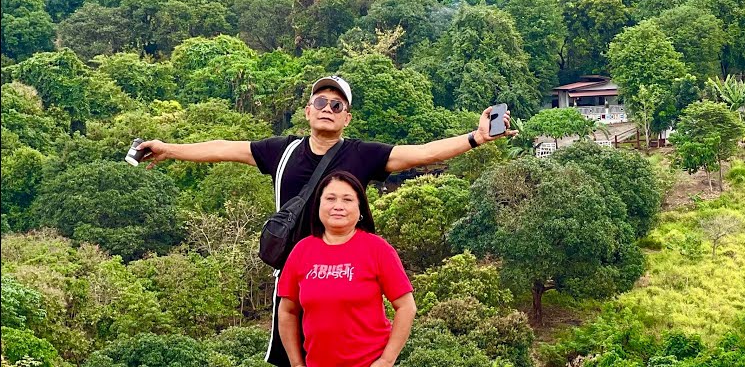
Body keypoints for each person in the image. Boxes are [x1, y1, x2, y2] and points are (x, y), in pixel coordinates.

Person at [137, 75, 513, 366]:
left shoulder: (361, 155)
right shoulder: (281, 151)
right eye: (321, 101)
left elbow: (419, 154)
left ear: (347, 116)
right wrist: (169, 149)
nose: (328, 108)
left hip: (351, 272)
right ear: (308, 110)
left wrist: (476, 138)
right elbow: (223, 148)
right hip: (297, 276)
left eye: (337, 104)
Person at [278, 170, 415, 367]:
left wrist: (386, 360)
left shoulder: (378, 249)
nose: (338, 206)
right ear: (318, 205)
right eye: (330, 199)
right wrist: (297, 363)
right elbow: (287, 312)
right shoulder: (302, 250)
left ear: (360, 209)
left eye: (347, 199)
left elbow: (406, 307)